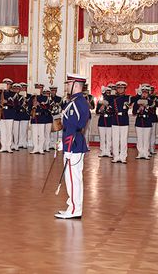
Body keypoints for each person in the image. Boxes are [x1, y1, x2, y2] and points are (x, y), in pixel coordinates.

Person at [55, 73, 90, 220]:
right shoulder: (76, 101)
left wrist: (67, 146)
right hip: (73, 142)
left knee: (73, 178)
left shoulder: (78, 102)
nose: (67, 86)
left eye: (69, 84)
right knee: (72, 178)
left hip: (74, 144)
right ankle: (73, 206)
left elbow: (75, 126)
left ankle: (75, 209)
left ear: (76, 85)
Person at [110, 81, 131, 164]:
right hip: (115, 119)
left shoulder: (128, 98)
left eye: (122, 88)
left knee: (123, 139)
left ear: (125, 89)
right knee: (115, 139)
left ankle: (123, 157)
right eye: (118, 88)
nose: (120, 89)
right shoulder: (112, 98)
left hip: (124, 119)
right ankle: (116, 156)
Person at [0, 78, 16, 153]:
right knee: (2, 131)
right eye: (5, 84)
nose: (7, 86)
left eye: (8, 84)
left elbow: (15, 104)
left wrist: (6, 102)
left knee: (9, 131)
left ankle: (8, 146)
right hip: (2, 114)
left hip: (9, 114)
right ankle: (3, 146)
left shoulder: (13, 94)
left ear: (10, 85)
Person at [133, 85, 153, 160]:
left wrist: (147, 106)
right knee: (139, 138)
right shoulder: (137, 101)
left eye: (146, 93)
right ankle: (140, 153)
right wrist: (138, 109)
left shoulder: (151, 102)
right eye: (143, 92)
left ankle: (146, 153)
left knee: (146, 138)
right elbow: (134, 112)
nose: (144, 94)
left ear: (148, 93)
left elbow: (153, 112)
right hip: (139, 121)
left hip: (147, 121)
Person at [29, 84, 46, 154]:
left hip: (41, 117)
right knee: (34, 133)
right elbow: (28, 107)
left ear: (42, 89)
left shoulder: (45, 98)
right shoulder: (31, 98)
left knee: (41, 134)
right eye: (37, 88)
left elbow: (48, 108)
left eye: (40, 88)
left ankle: (40, 148)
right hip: (34, 117)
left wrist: (40, 105)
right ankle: (35, 147)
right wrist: (33, 106)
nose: (39, 89)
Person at [96, 86, 113, 158]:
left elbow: (113, 111)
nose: (108, 94)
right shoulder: (100, 101)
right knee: (102, 137)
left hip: (109, 120)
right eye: (106, 92)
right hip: (102, 120)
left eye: (109, 92)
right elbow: (97, 111)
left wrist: (108, 106)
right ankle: (103, 150)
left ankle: (108, 151)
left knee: (109, 137)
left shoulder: (112, 100)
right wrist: (101, 107)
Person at [149, 85, 158, 155]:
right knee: (147, 134)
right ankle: (147, 149)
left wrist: (154, 99)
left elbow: (157, 105)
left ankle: (152, 149)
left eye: (152, 90)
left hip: (153, 118)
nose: (151, 91)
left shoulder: (156, 97)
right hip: (147, 118)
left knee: (153, 134)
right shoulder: (145, 97)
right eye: (150, 90)